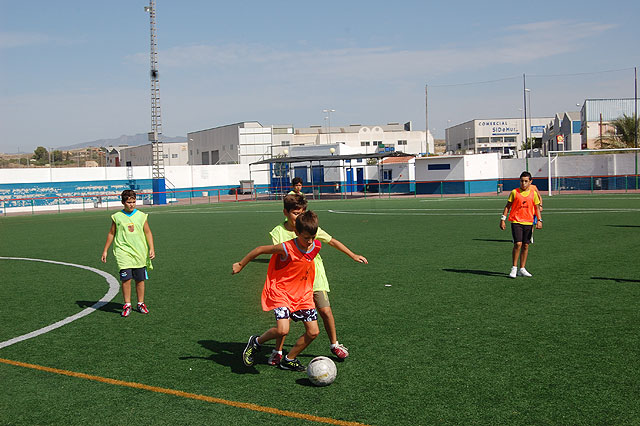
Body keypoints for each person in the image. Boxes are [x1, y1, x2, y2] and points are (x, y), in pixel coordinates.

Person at [267, 193, 367, 365]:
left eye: (301, 212)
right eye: (295, 213)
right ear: (286, 212)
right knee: (286, 319)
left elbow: (332, 241)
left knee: (325, 311)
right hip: (291, 284)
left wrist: (352, 255)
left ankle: (334, 344)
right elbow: (277, 256)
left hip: (315, 277)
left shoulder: (310, 228)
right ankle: (278, 351)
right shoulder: (278, 232)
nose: (299, 216)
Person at [233, 210, 322, 372]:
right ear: (296, 232)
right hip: (282, 293)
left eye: (313, 237)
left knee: (313, 332)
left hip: (303, 295)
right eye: (306, 238)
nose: (310, 242)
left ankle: (289, 359)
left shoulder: (316, 246)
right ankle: (256, 342)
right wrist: (240, 264)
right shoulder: (286, 248)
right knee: (282, 329)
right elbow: (260, 249)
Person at [101, 189, 155, 317]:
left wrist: (151, 248)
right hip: (123, 252)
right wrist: (105, 250)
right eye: (129, 202)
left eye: (134, 202)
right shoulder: (117, 217)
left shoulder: (141, 216)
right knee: (126, 279)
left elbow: (148, 232)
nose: (131, 204)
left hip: (139, 253)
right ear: (123, 202)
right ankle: (127, 304)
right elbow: (111, 233)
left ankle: (141, 303)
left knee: (140, 280)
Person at [499, 171, 542, 278]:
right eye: (522, 181)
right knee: (518, 244)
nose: (523, 183)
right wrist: (502, 219)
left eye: (526, 181)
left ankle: (522, 268)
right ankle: (514, 268)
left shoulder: (533, 194)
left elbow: (536, 208)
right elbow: (507, 206)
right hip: (516, 221)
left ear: (530, 182)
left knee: (526, 245)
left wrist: (540, 220)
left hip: (528, 222)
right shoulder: (515, 192)